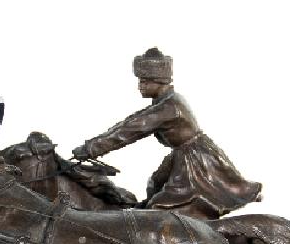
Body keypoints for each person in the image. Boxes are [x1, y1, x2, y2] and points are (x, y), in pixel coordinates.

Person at [72, 48, 262, 221]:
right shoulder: (166, 101)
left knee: (162, 206)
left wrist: (90, 149)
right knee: (155, 184)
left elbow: (130, 130)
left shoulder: (169, 108)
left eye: (144, 81)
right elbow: (128, 122)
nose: (140, 86)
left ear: (159, 81)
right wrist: (90, 146)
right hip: (183, 155)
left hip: (194, 161)